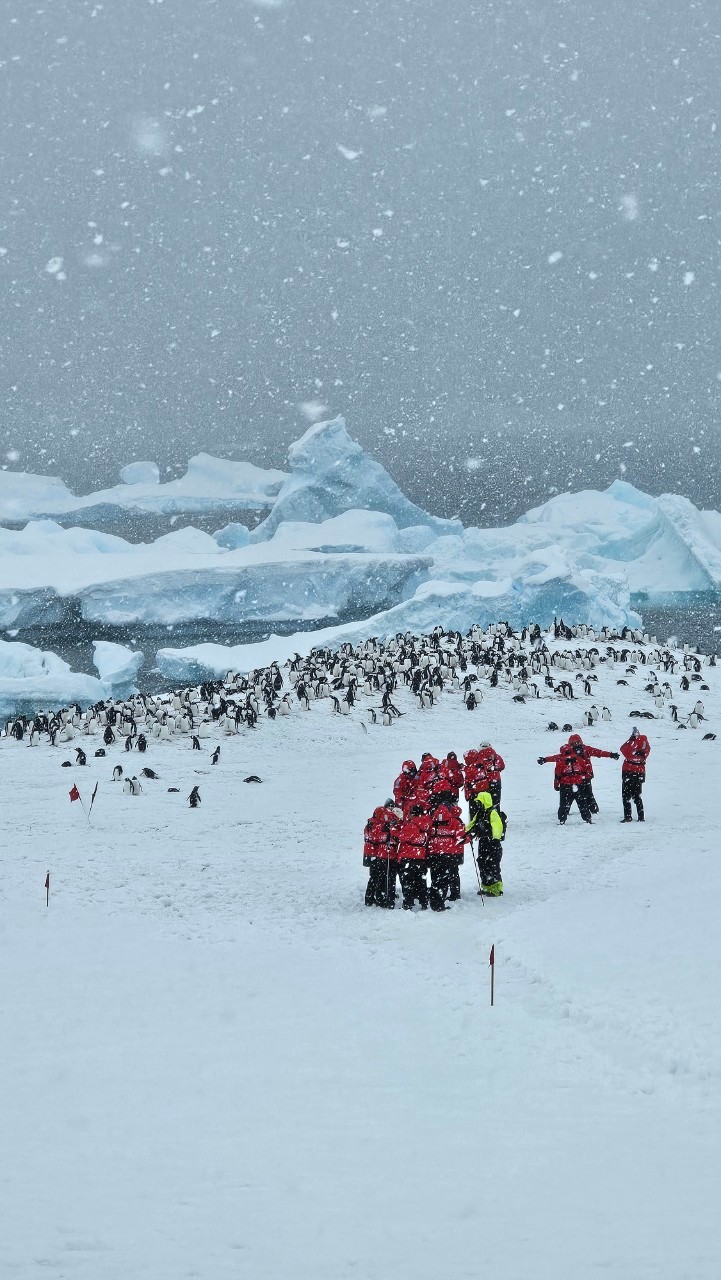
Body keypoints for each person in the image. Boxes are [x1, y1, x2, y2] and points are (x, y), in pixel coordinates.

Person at [538, 742, 593, 824]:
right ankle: (587, 819)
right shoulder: (579, 759)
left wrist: (556, 785)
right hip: (578, 784)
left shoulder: (560, 760)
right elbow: (586, 768)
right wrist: (585, 777)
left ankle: (562, 820)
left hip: (565, 785)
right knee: (582, 803)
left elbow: (557, 775)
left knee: (564, 804)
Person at [566, 733, 619, 814]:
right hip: (576, 777)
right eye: (574, 743)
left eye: (577, 742)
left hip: (584, 776)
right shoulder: (570, 752)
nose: (576, 745)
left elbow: (599, 752)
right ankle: (565, 810)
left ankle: (593, 810)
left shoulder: (585, 749)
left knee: (585, 794)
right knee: (572, 794)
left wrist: (610, 754)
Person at [466, 791, 506, 896]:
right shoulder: (480, 814)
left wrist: (495, 839)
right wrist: (465, 833)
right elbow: (471, 825)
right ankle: (487, 886)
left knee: (492, 864)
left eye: (479, 802)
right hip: (483, 842)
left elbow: (498, 826)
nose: (478, 804)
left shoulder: (492, 812)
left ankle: (496, 888)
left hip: (492, 843)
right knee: (482, 862)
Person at [428, 802, 467, 906]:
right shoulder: (454, 821)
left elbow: (427, 836)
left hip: (435, 854)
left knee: (436, 876)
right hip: (451, 854)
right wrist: (469, 837)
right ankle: (454, 894)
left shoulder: (432, 821)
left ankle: (436, 895)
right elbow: (461, 838)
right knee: (453, 874)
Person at [363, 801, 401, 907]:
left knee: (375, 877)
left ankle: (371, 898)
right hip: (378, 853)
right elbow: (379, 839)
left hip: (371, 853)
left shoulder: (370, 824)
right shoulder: (379, 825)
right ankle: (378, 897)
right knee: (379, 877)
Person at [396, 804, 433, 909]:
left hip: (408, 857)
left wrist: (393, 828)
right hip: (420, 857)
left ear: (413, 814)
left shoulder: (412, 825)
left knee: (407, 882)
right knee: (421, 881)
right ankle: (423, 902)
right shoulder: (427, 825)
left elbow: (401, 837)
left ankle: (408, 903)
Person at [620, 727, 650, 822]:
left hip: (629, 772)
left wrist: (630, 740)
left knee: (626, 796)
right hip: (639, 772)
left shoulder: (633, 743)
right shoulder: (644, 741)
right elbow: (646, 751)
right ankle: (641, 817)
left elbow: (623, 750)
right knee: (637, 796)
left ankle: (628, 816)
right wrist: (641, 753)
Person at [476, 741, 505, 808]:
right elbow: (502, 766)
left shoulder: (477, 757)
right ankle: (495, 816)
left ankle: (484, 817)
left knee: (483, 803)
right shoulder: (496, 756)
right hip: (495, 781)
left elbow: (475, 767)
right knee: (496, 803)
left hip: (483, 782)